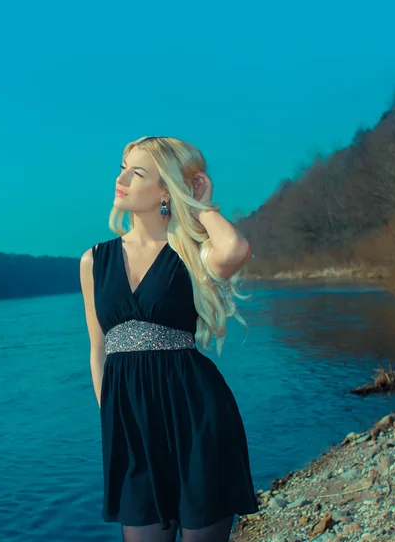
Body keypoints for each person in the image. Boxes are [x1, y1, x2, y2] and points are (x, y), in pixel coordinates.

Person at [79, 136, 260, 541]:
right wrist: (115, 421)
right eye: (122, 166)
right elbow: (98, 351)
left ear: (166, 189)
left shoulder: (194, 253)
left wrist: (201, 205)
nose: (120, 178)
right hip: (132, 429)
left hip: (198, 419)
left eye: (137, 171)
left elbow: (235, 247)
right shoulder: (94, 261)